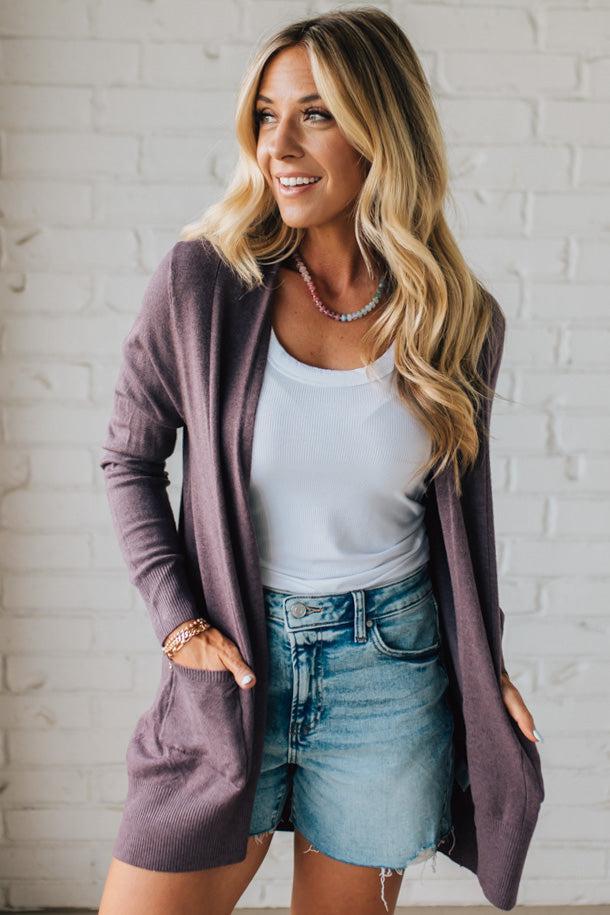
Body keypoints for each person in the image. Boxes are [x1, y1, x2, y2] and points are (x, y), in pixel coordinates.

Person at [98, 8, 544, 915]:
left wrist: (481, 659)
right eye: (266, 114)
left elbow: (463, 525)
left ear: (383, 129)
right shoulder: (202, 284)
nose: (279, 145)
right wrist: (177, 620)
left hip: (390, 669)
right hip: (234, 669)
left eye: (315, 114)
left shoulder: (455, 319)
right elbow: (130, 459)